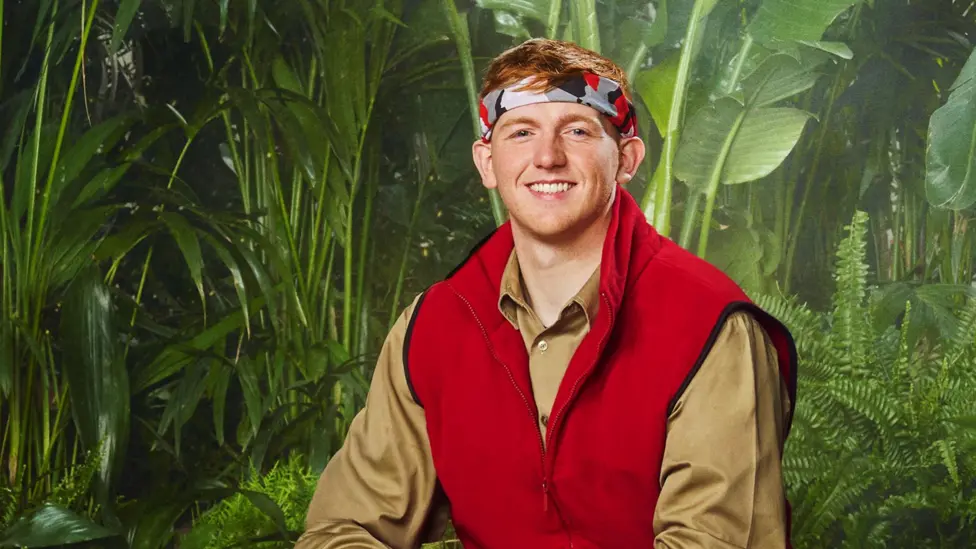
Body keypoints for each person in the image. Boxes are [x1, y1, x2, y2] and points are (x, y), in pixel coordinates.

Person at [296, 38, 798, 549]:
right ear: (487, 163)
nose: (547, 157)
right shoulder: (434, 326)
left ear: (626, 159)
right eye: (521, 132)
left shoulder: (708, 327)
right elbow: (343, 528)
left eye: (577, 130)